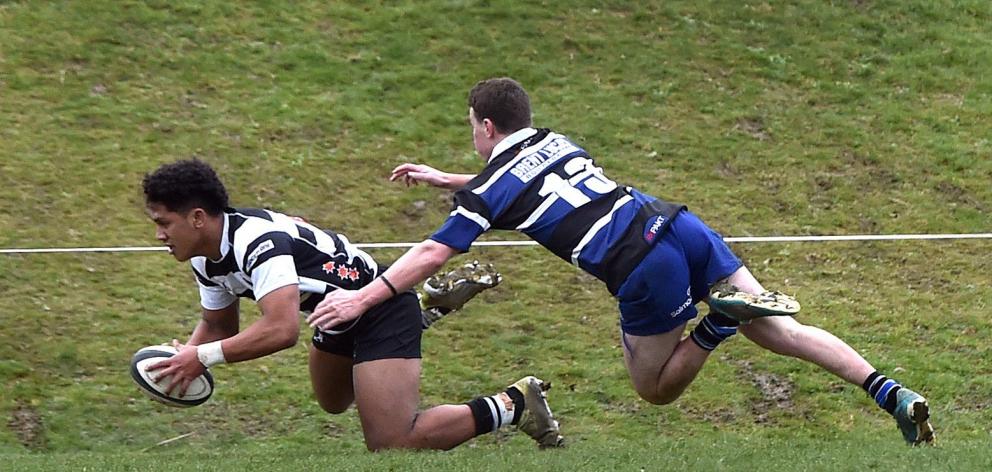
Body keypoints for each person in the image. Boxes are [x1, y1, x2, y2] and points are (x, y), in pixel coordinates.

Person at [308, 77, 936, 446]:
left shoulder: (492, 186)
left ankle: (716, 325)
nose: (471, 134)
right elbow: (521, 183)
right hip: (681, 226)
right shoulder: (556, 142)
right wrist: (447, 177)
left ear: (488, 126)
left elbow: (433, 250)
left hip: (640, 265)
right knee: (783, 332)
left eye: (471, 126)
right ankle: (893, 394)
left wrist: (364, 297)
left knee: (653, 389)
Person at [140, 159, 565, 451]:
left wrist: (203, 357)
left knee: (392, 442)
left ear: (197, 218)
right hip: (337, 315)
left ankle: (515, 404)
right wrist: (182, 362)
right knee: (333, 401)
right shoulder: (205, 256)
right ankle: (423, 305)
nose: (159, 234)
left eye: (163, 223)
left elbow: (282, 330)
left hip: (379, 305)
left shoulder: (257, 242)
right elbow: (217, 327)